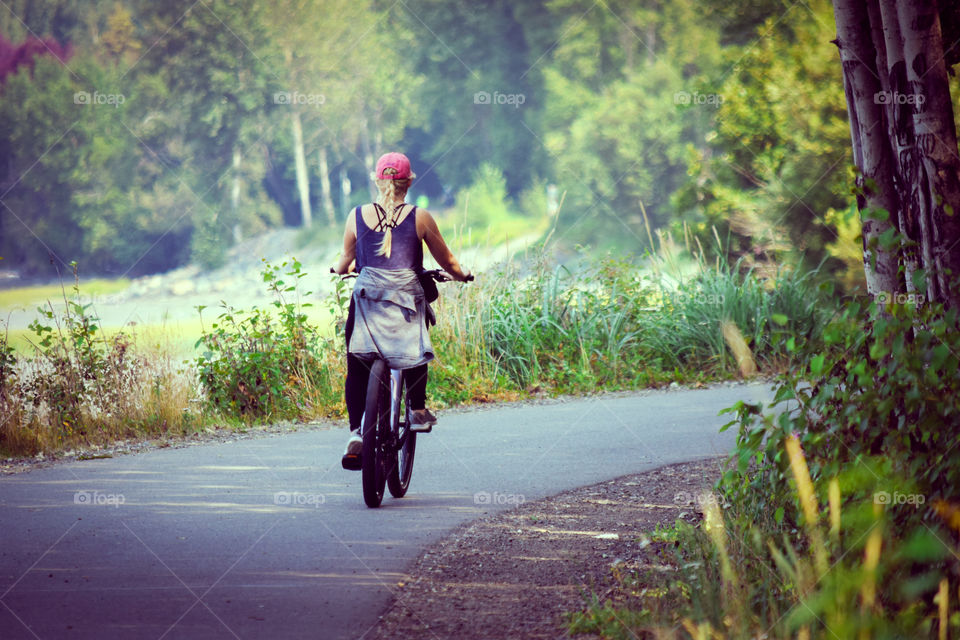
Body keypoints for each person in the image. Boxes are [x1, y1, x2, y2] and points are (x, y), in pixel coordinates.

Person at [332, 152, 470, 462]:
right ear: (409, 182)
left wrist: (338, 268)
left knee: (356, 363)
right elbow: (447, 261)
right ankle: (417, 409)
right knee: (415, 345)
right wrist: (463, 275)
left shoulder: (356, 216)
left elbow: (344, 261)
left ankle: (356, 433)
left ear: (377, 181)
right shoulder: (420, 217)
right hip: (406, 297)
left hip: (367, 299)